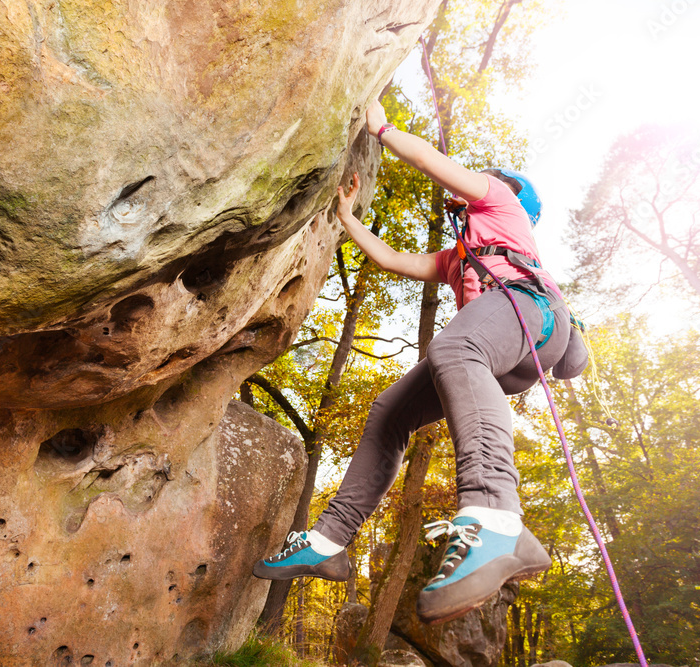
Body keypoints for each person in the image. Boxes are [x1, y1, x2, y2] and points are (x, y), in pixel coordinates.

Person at [252, 100, 588, 625]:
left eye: (478, 179)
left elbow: (433, 160)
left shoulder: (502, 205)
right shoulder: (458, 258)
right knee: (391, 412)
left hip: (531, 312)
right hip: (504, 356)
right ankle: (328, 541)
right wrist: (345, 219)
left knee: (454, 348)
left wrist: (381, 128)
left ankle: (496, 516)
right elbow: (392, 260)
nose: (466, 185)